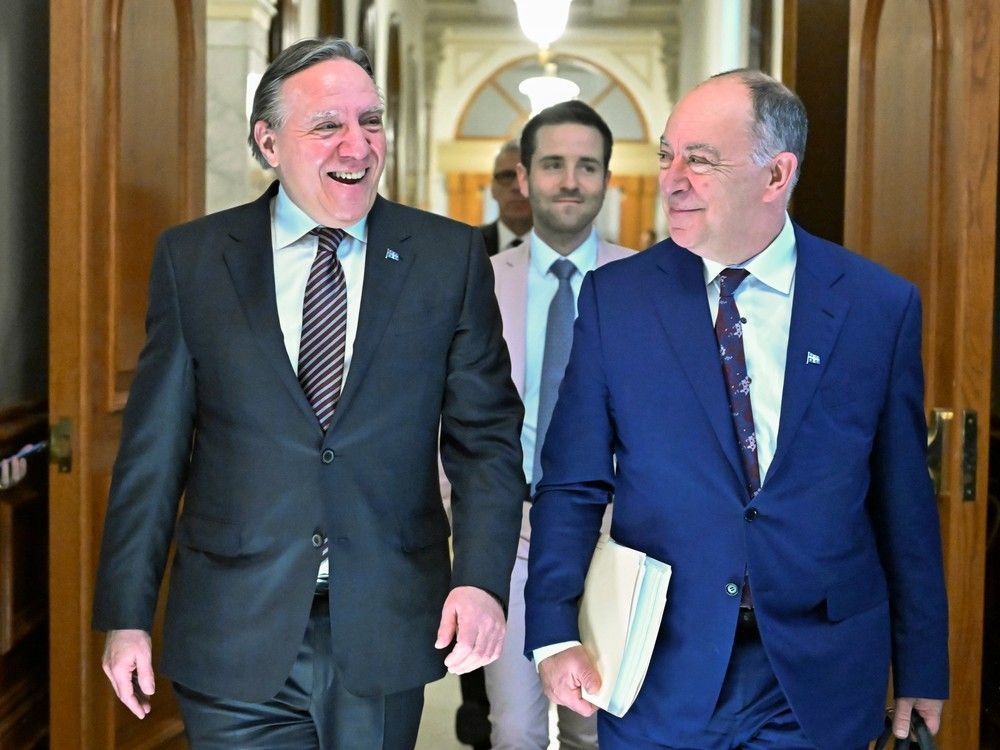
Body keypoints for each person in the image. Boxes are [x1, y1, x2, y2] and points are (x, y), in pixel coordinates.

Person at [92, 38, 525, 749]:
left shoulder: (447, 259)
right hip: (233, 627)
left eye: (372, 121)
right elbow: (153, 452)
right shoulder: (194, 259)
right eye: (327, 124)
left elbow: (486, 442)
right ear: (268, 142)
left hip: (384, 625)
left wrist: (480, 582)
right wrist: (127, 614)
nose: (357, 144)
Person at [524, 69, 948, 750]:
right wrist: (552, 632)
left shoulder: (877, 306)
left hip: (818, 679)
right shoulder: (616, 302)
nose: (672, 178)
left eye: (700, 159)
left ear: (776, 176)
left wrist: (923, 664)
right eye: (667, 155)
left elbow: (902, 500)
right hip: (660, 668)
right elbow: (573, 483)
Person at [484, 100, 633, 750]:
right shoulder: (479, 284)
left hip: (618, 537)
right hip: (510, 535)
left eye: (586, 166)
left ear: (606, 177)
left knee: (595, 726)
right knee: (514, 730)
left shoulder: (651, 283)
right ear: (523, 178)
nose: (570, 181)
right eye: (552, 165)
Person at [480, 140, 533, 256]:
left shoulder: (565, 246)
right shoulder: (471, 246)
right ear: (493, 188)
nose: (517, 186)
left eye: (526, 176)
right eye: (506, 176)